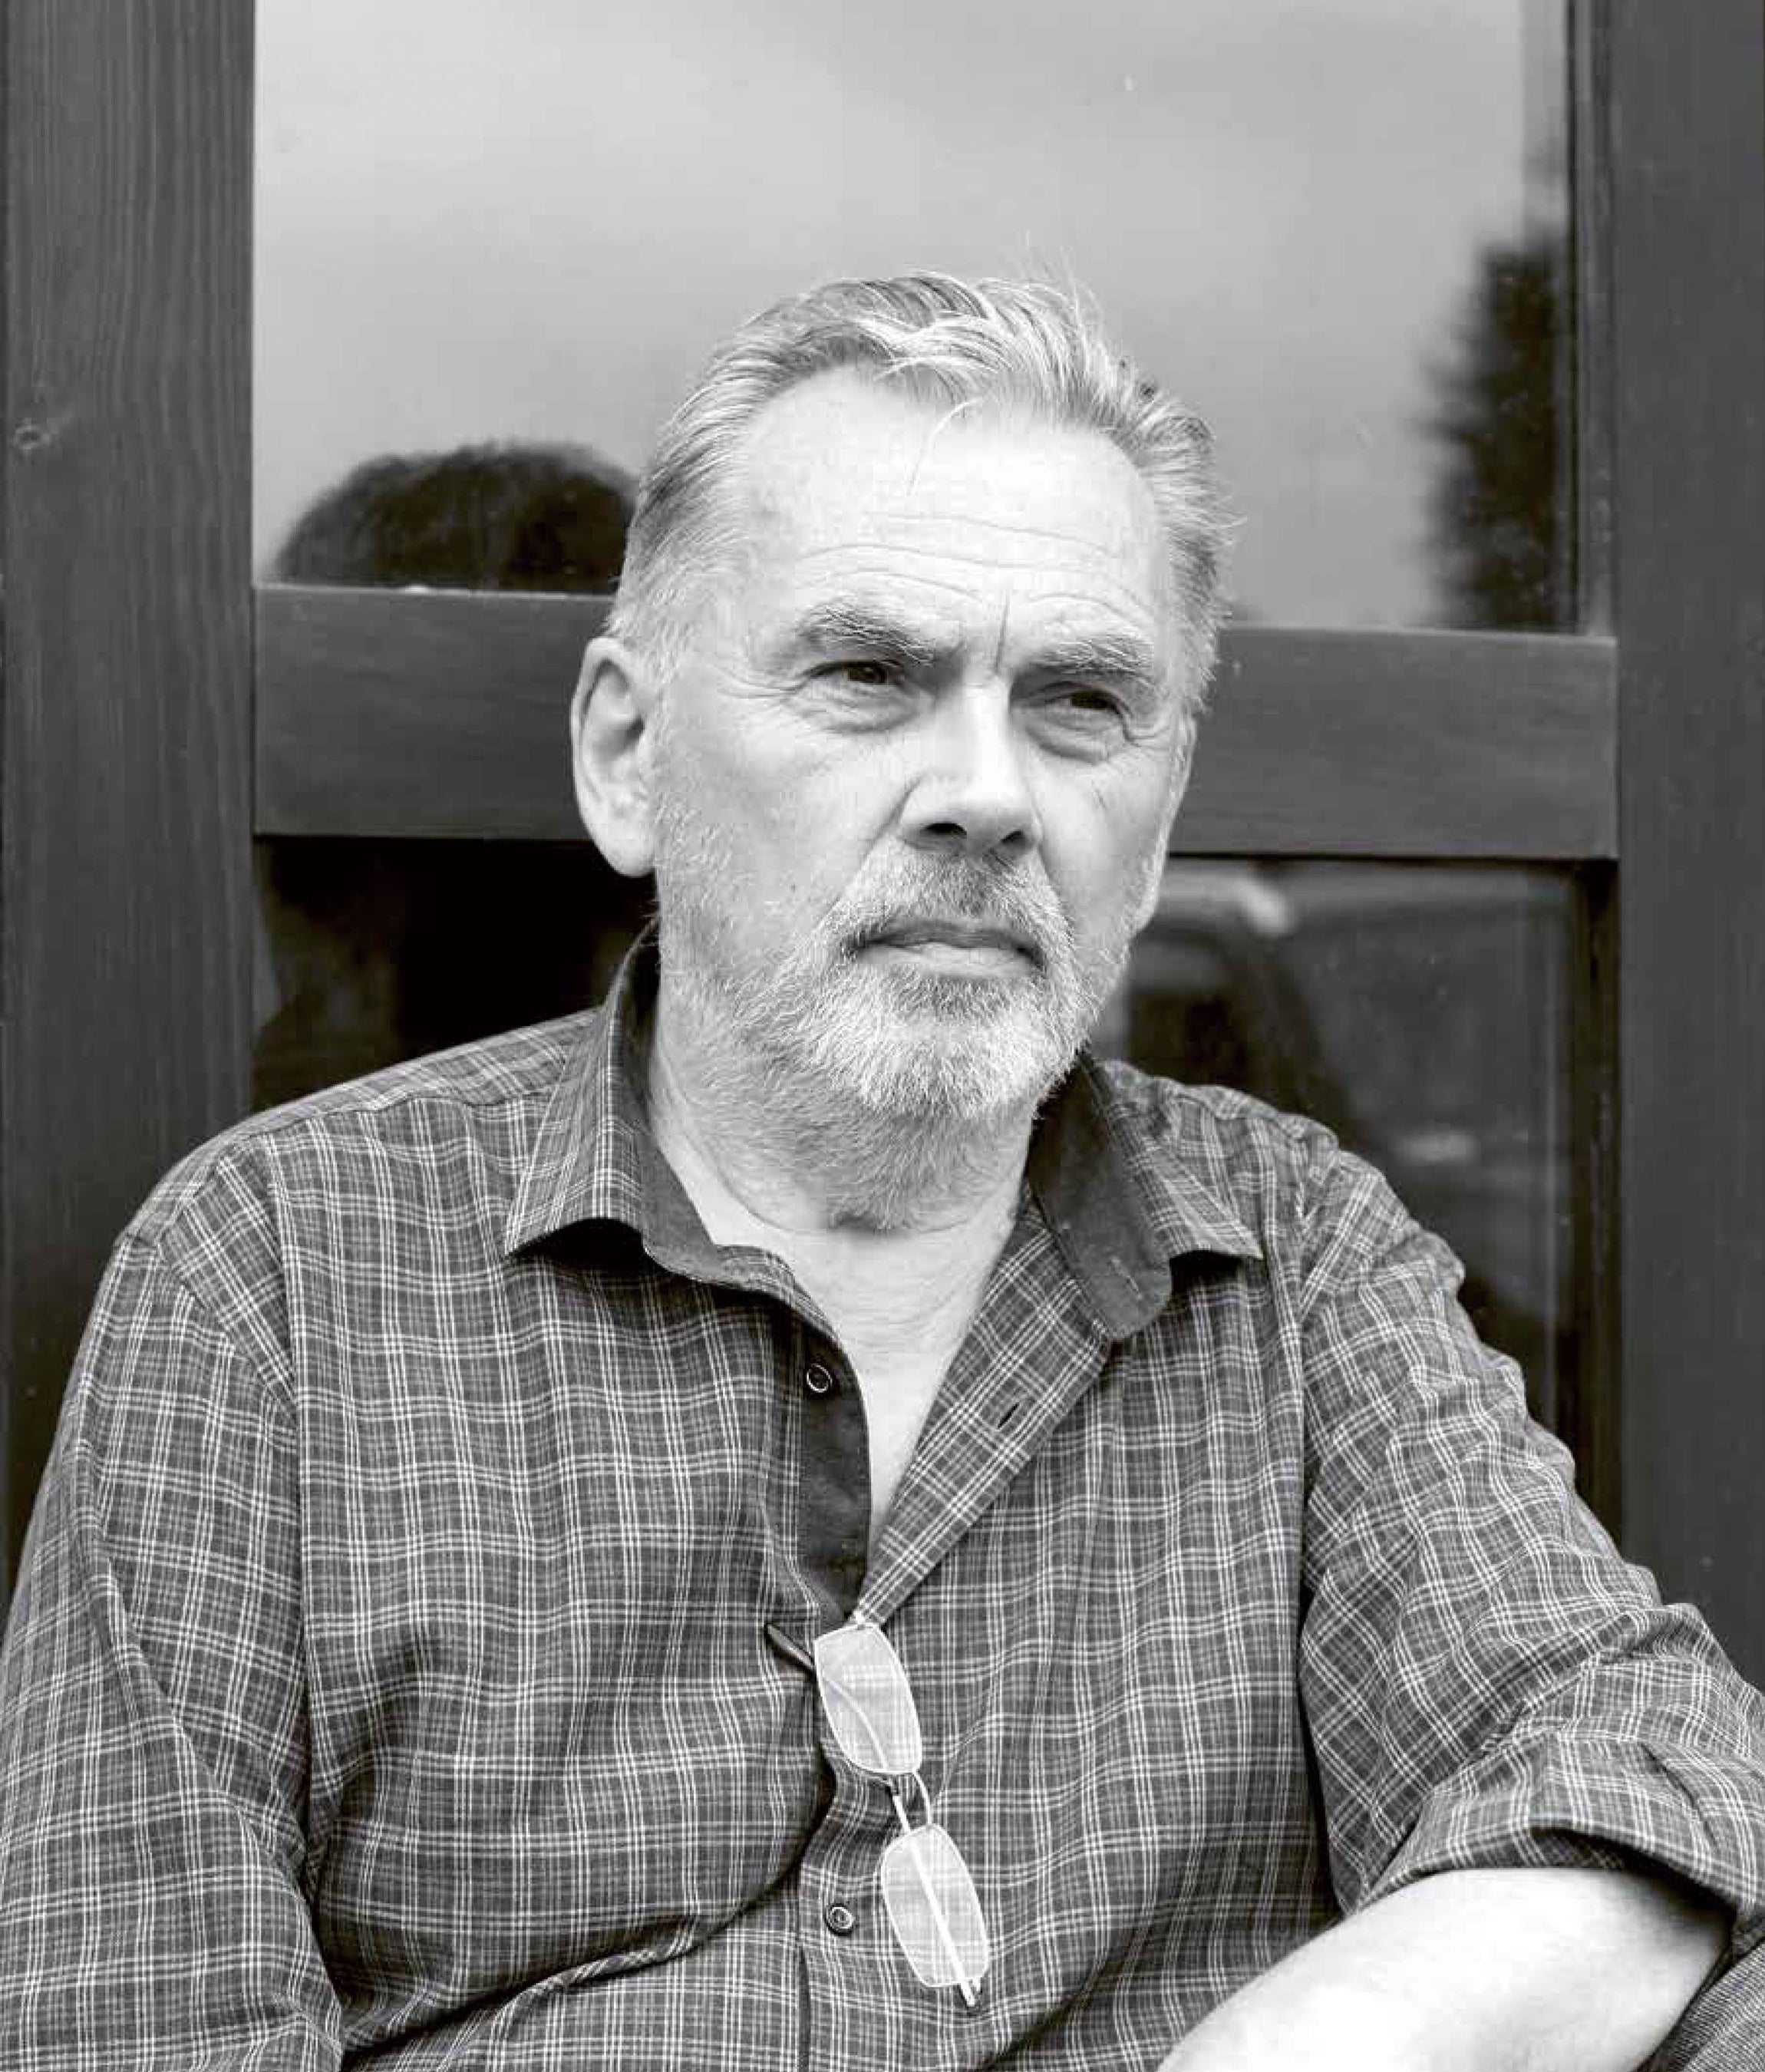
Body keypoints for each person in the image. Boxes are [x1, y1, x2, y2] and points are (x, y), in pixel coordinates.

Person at [2, 275, 1762, 2070]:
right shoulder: (279, 1276)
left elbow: (1644, 1769)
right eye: (865, 676)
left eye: (1080, 700)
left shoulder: (1291, 1257)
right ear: (627, 756)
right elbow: (127, 2022)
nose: (985, 794)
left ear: (1158, 821)